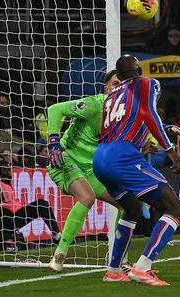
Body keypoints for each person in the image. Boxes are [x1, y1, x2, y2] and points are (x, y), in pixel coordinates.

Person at [93, 55, 180, 286]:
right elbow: (149, 113)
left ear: (119, 75)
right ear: (139, 71)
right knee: (175, 209)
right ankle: (143, 267)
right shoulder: (147, 83)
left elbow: (128, 122)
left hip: (100, 158)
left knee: (132, 208)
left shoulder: (111, 96)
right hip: (122, 156)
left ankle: (114, 270)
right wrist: (170, 150)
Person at [47, 70, 123, 272]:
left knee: (126, 203)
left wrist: (166, 128)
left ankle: (118, 258)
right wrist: (54, 143)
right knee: (87, 197)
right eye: (115, 84)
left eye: (123, 84)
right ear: (106, 88)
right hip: (65, 159)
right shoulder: (94, 105)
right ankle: (60, 253)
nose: (119, 88)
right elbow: (55, 109)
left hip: (90, 169)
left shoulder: (125, 114)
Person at [0, 164, 61, 249]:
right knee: (41, 205)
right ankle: (57, 237)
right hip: (6, 220)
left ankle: (57, 236)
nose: (10, 172)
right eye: (7, 169)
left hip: (13, 217)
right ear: (1, 171)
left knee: (42, 205)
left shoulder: (5, 183)